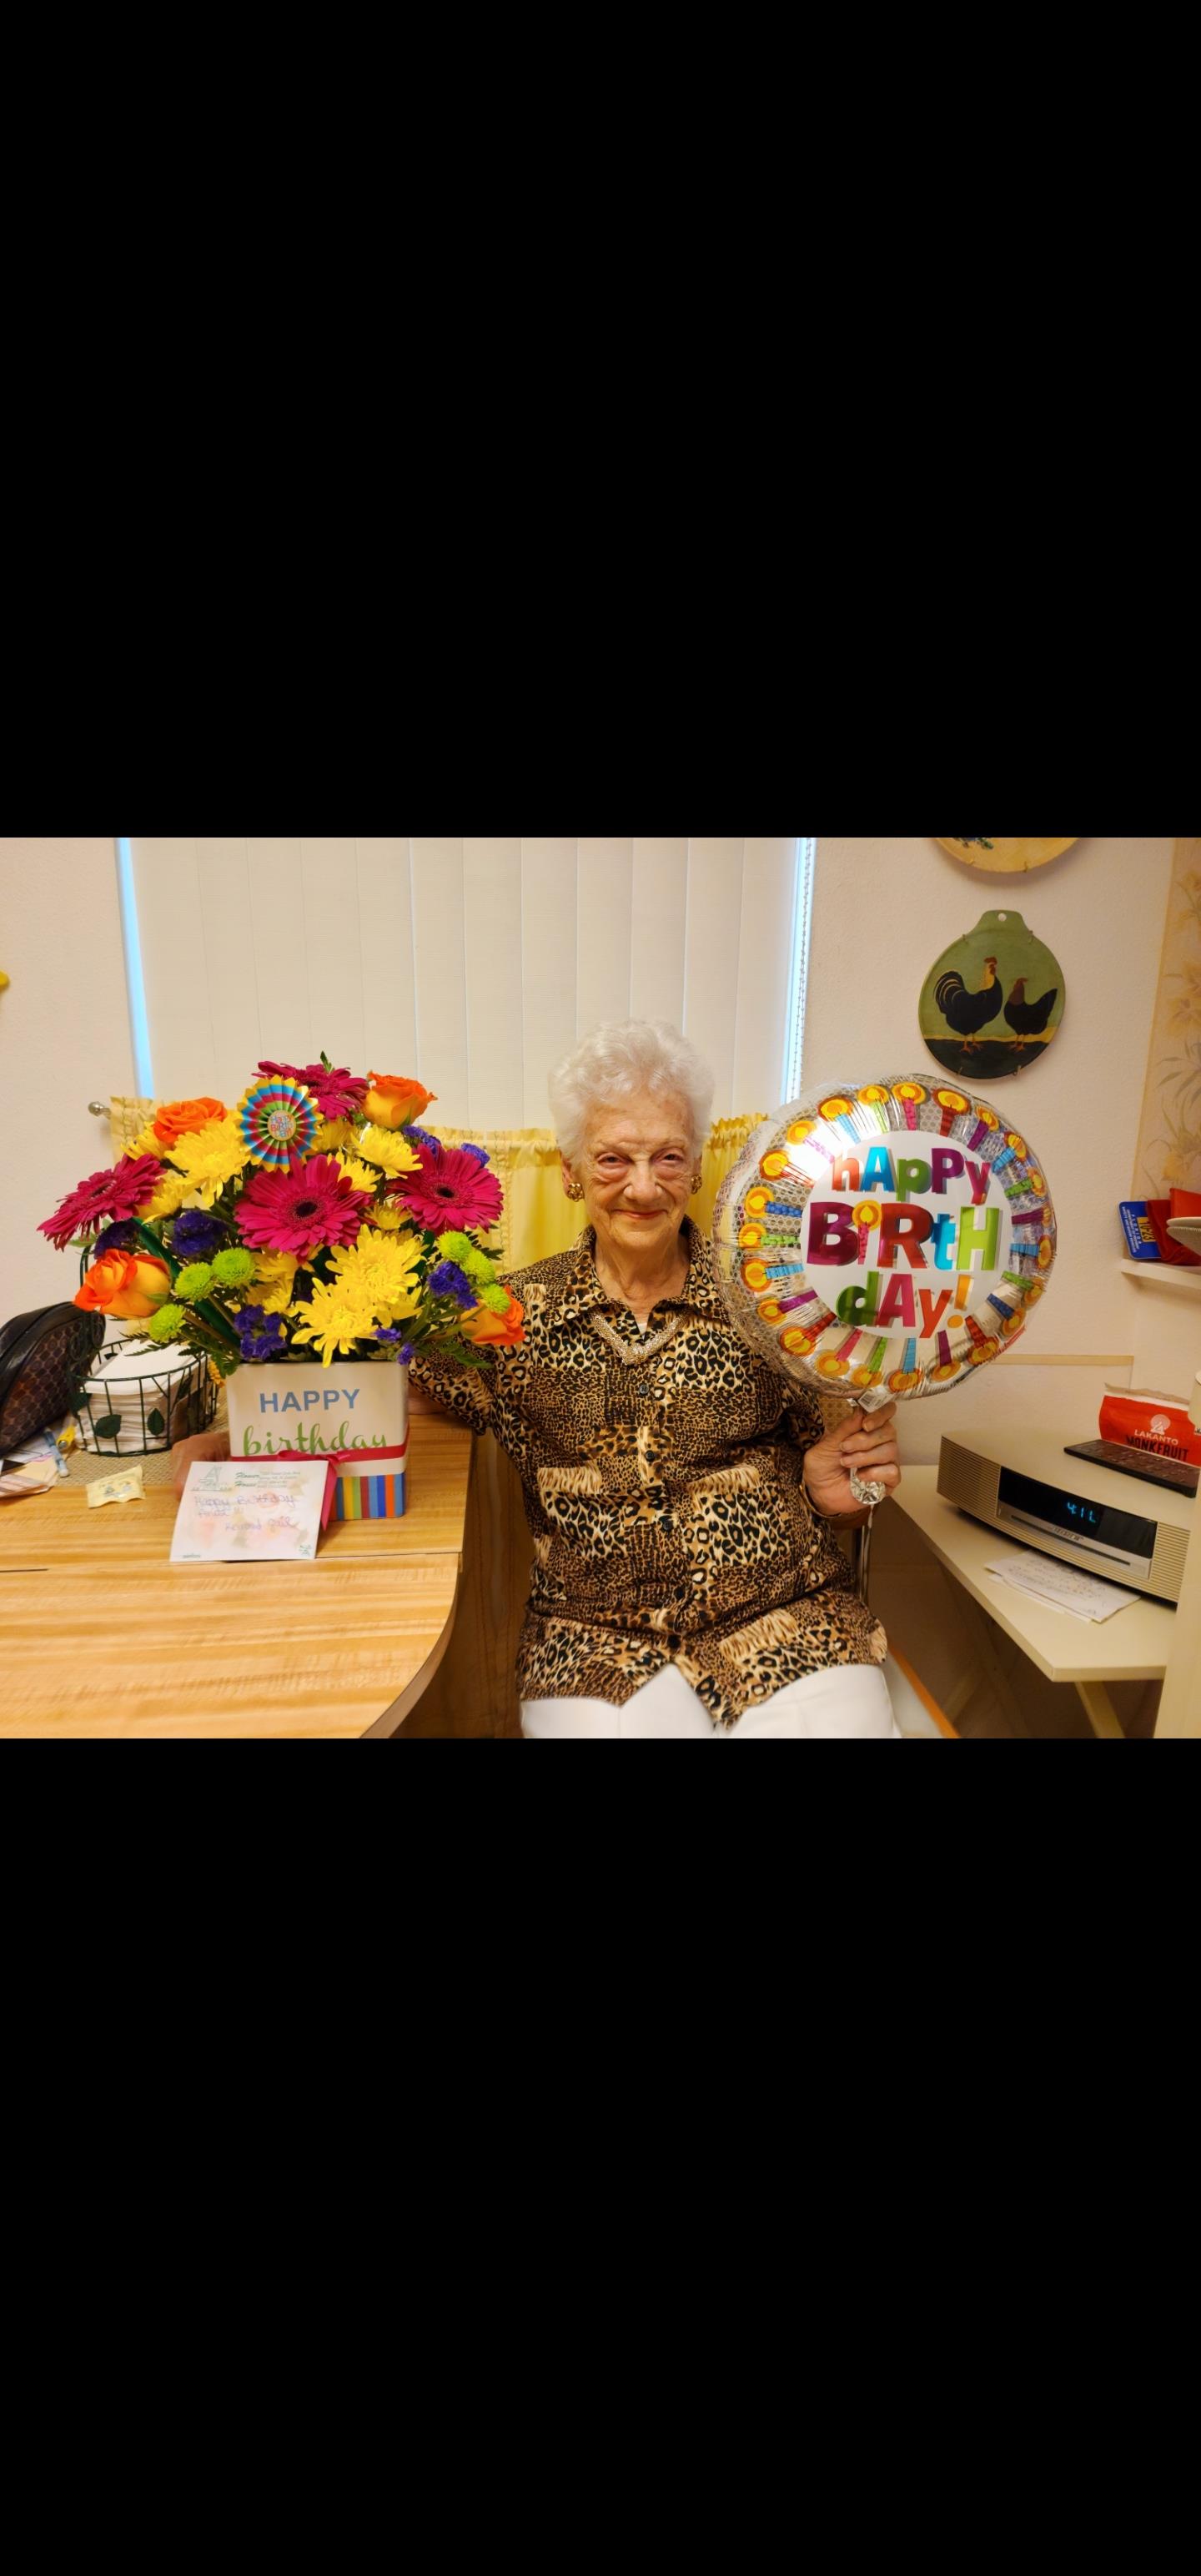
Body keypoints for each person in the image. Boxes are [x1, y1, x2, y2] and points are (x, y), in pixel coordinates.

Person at [176, 1020, 902, 1738]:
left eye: (668, 1157)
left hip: (790, 1624)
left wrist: (838, 1495)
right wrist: (237, 1438)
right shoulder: (508, 1317)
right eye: (614, 1159)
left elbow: (842, 1492)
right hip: (594, 1647)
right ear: (571, 1172)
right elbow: (369, 1389)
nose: (643, 1188)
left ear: (697, 1168)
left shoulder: (771, 1304)